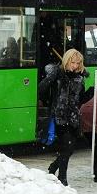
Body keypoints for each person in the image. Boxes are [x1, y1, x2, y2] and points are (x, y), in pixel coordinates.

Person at [37, 49, 88, 186]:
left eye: (78, 63)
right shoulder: (58, 74)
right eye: (73, 62)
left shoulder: (79, 78)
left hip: (73, 117)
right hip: (59, 117)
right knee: (67, 146)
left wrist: (91, 92)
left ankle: (54, 167)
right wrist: (51, 79)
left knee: (70, 148)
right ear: (67, 60)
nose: (75, 66)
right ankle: (62, 178)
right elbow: (41, 89)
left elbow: (80, 99)